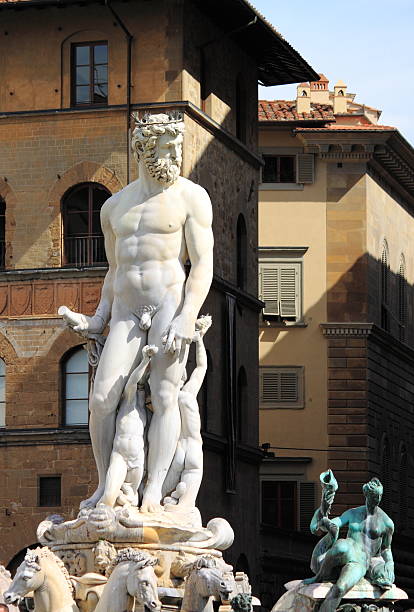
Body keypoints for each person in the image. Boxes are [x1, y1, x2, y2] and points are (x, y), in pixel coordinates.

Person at [59, 112, 214, 513]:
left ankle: (152, 492)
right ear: (144, 150)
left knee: (164, 396)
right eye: (168, 149)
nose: (176, 157)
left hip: (169, 304)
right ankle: (106, 488)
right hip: (126, 310)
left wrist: (186, 316)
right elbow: (115, 271)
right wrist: (97, 318)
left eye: (179, 149)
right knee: (101, 398)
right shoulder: (113, 208)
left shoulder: (191, 197)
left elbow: (202, 265)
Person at [304, 478, 394, 612]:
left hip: (361, 560)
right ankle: (319, 576)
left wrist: (390, 564)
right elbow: (335, 523)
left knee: (340, 587)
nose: (377, 499)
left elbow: (386, 548)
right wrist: (325, 521)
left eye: (379, 496)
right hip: (349, 547)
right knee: (341, 546)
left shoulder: (386, 523)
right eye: (375, 496)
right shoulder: (353, 513)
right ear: (367, 495)